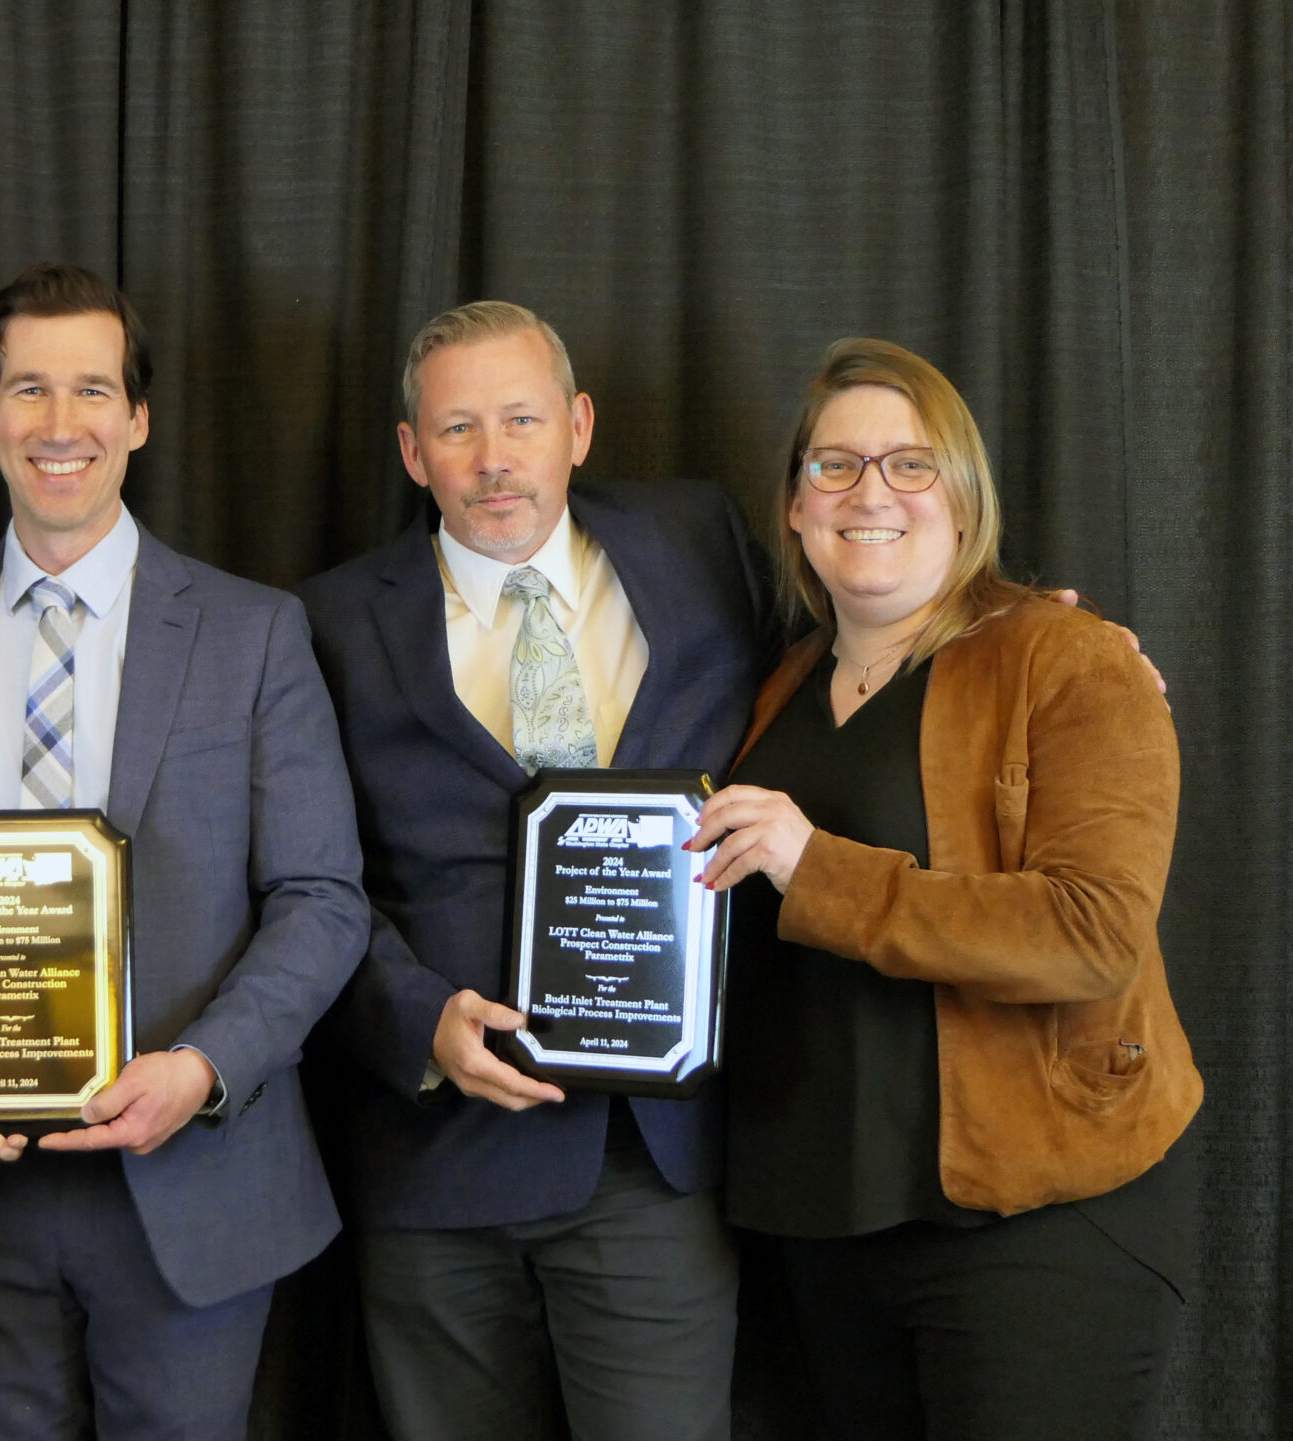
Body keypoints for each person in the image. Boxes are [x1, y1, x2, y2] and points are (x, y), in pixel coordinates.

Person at [0, 261, 370, 1441]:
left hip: (191, 1181)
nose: (58, 423)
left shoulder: (253, 632)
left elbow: (321, 898)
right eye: (27, 389)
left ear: (137, 418)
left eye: (92, 390)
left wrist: (200, 1070)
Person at [687, 337, 1200, 1441]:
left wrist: (816, 865)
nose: (869, 491)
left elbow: (1091, 930)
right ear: (792, 505)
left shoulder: (1064, 659)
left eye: (909, 464)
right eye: (833, 465)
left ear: (963, 499)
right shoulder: (781, 682)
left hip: (1029, 1227)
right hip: (820, 1227)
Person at [297, 301, 769, 1441]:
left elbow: (862, 641)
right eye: (457, 428)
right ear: (413, 451)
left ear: (580, 427)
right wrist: (414, 1022)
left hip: (652, 1157)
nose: (494, 458)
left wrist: (1012, 631)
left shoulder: (704, 543)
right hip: (439, 1166)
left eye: (521, 419)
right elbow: (305, 875)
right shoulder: (324, 622)